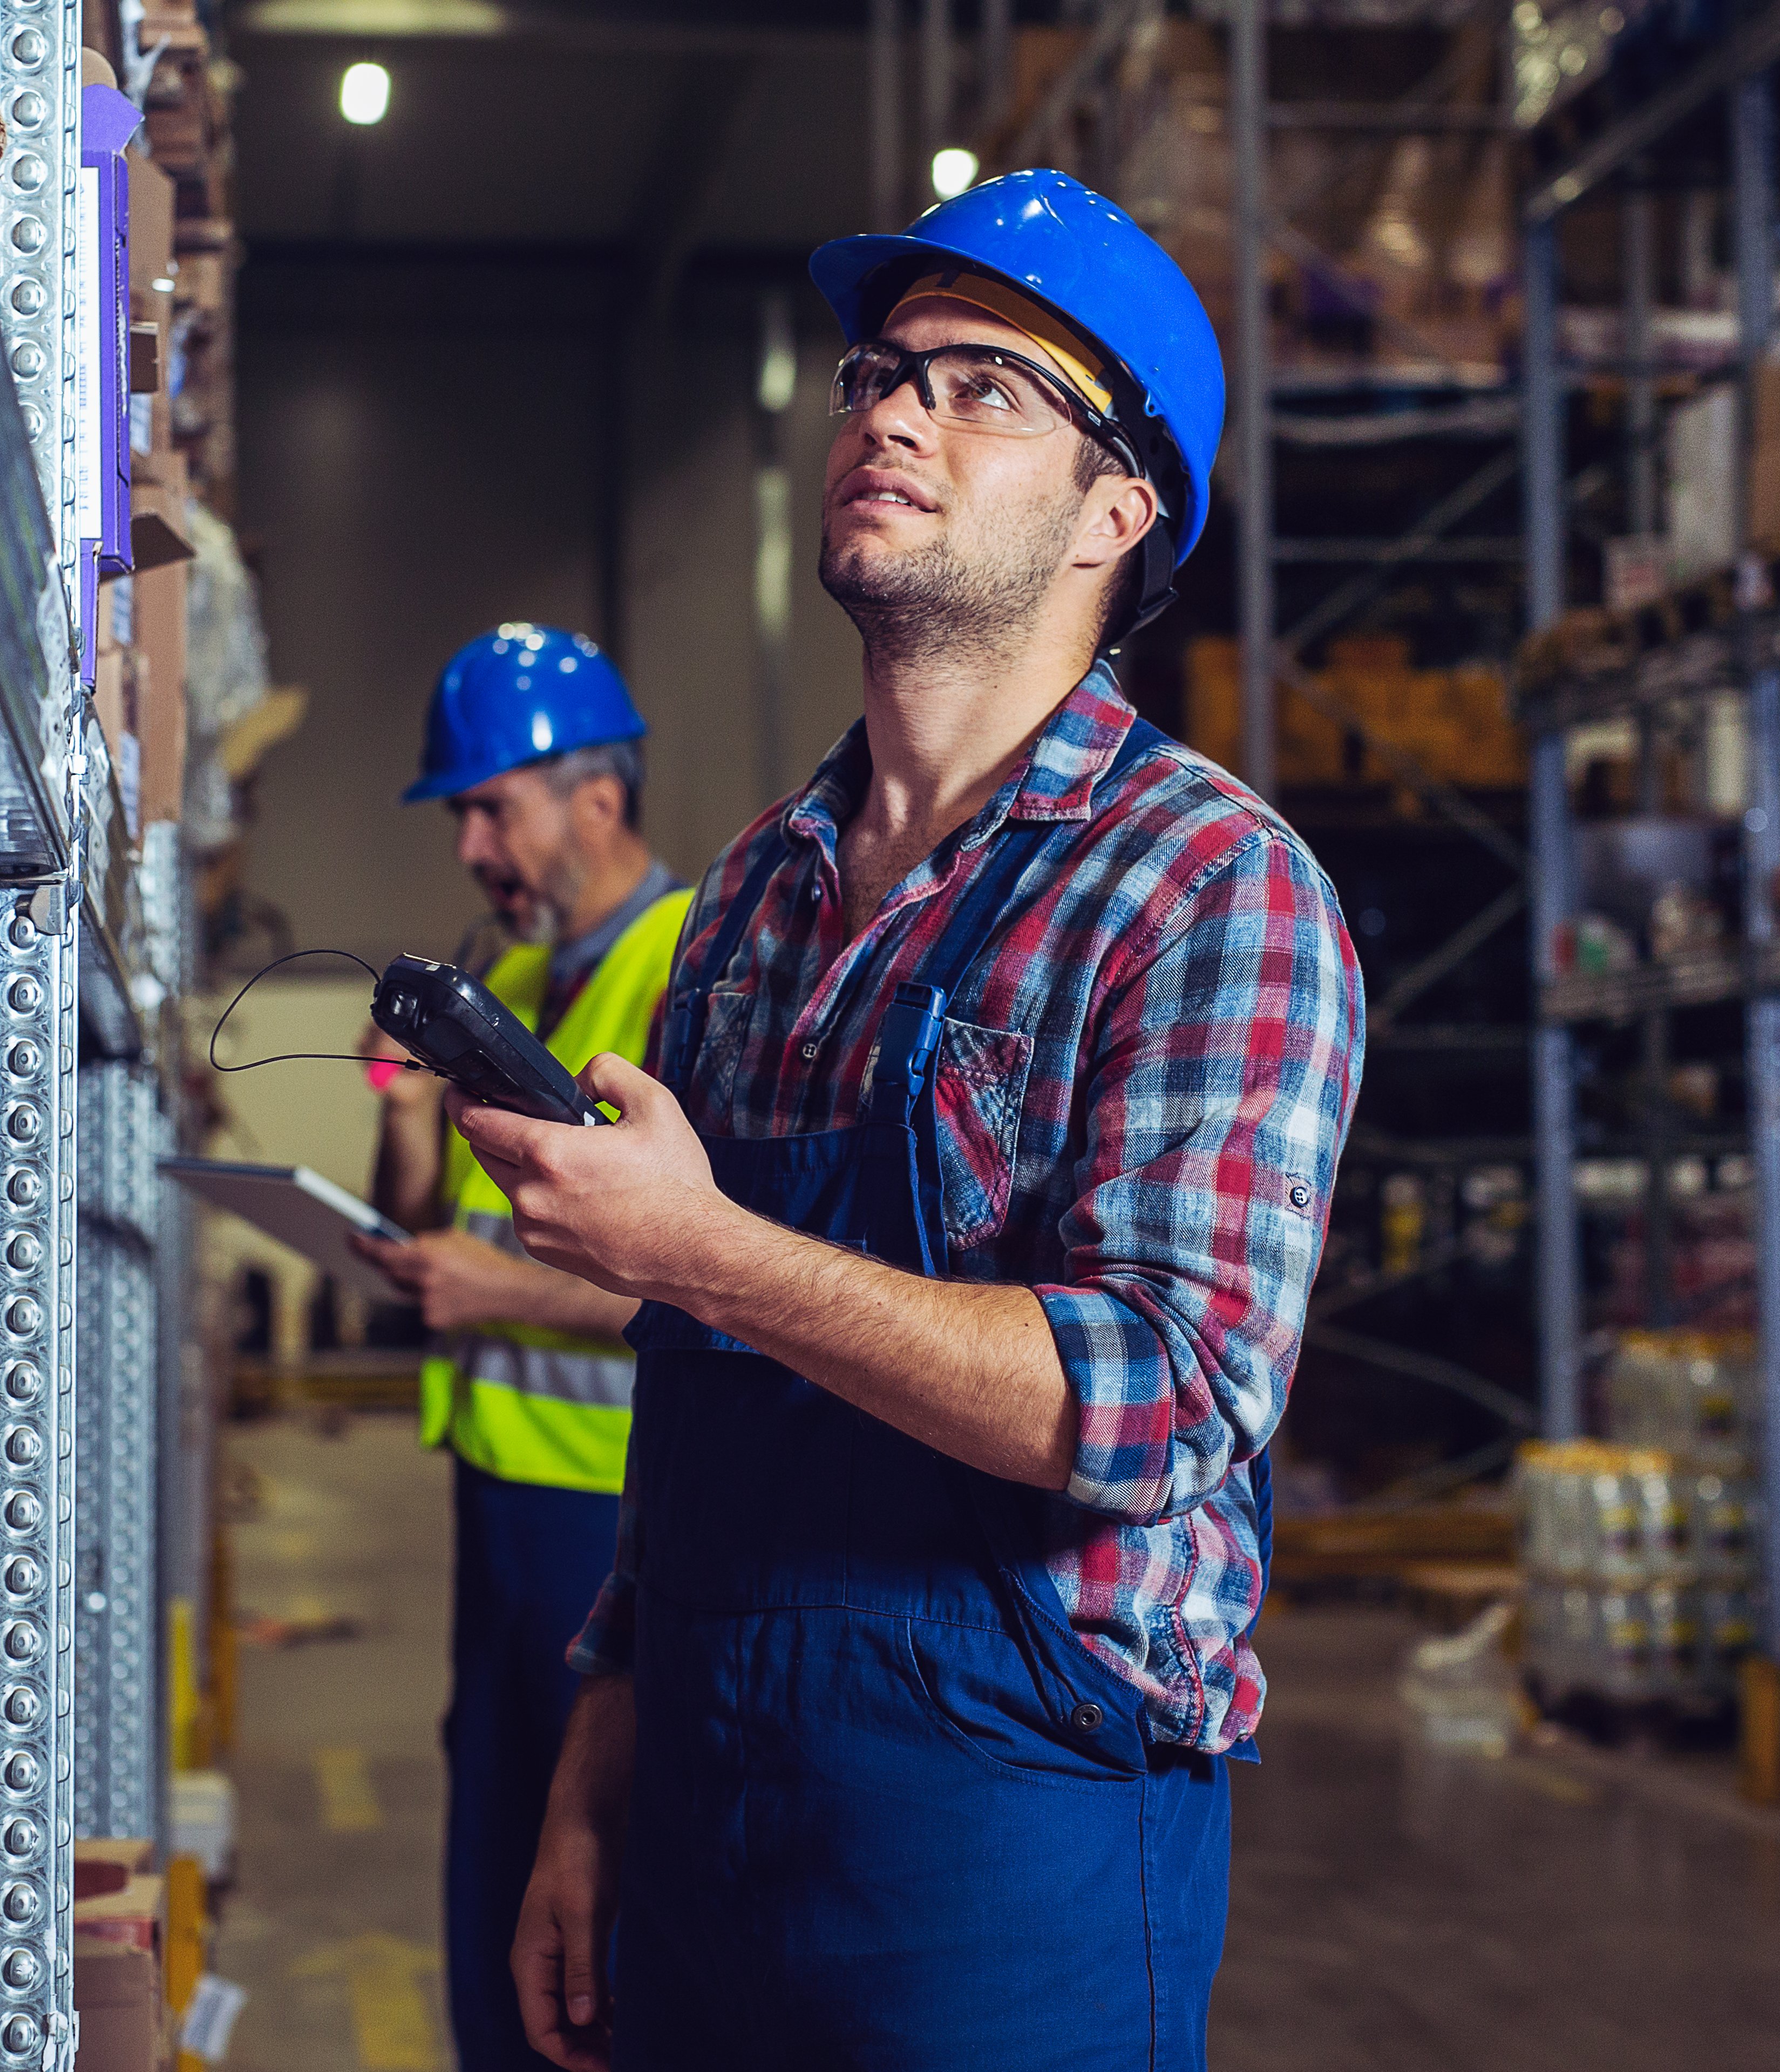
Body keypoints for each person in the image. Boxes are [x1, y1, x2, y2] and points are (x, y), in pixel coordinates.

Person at [460, 172, 1365, 2070]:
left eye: (983, 387)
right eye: (882, 369)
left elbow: (1158, 1401)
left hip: (1004, 1850)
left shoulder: (1208, 889)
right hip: (705, 1796)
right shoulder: (757, 899)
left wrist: (696, 1243)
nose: (890, 411)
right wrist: (596, 1770)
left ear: (1119, 511)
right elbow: (695, 1399)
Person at [350, 623, 691, 2072]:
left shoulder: (680, 970)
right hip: (505, 1493)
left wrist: (490, 1298)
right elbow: (441, 1225)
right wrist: (405, 1118)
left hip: (607, 1510)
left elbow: (710, 1281)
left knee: (572, 1897)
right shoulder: (532, 973)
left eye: (493, 807)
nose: (473, 846)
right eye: (463, 816)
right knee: (495, 1850)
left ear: (595, 800)